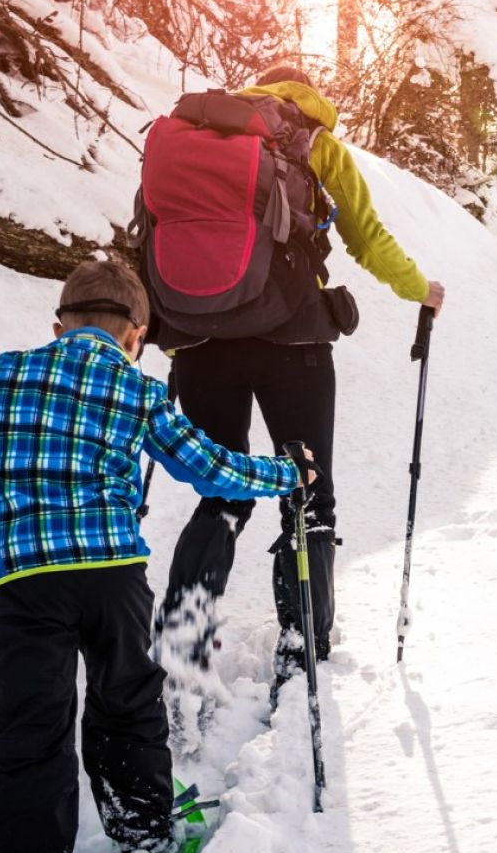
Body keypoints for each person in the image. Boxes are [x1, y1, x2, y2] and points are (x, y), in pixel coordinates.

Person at [0, 261, 316, 853]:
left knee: (33, 735)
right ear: (137, 336)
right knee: (127, 709)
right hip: (114, 577)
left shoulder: (5, 373)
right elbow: (209, 468)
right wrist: (285, 473)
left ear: (58, 325)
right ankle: (147, 842)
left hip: (27, 585)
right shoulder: (137, 389)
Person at [153, 65, 445, 685]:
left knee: (223, 489)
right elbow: (367, 238)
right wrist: (421, 289)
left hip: (201, 337)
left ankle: (183, 637)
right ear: (305, 93)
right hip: (295, 341)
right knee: (308, 490)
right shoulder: (314, 141)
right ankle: (303, 642)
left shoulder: (191, 135)